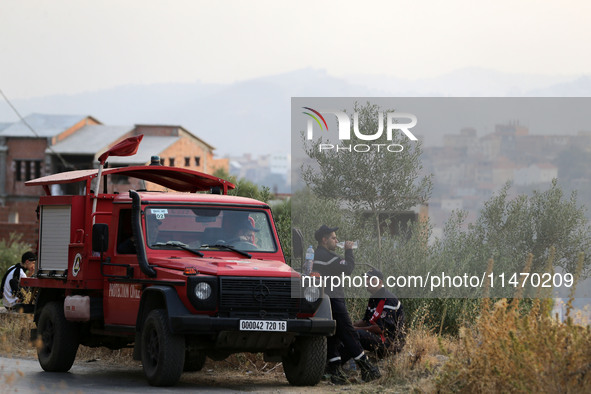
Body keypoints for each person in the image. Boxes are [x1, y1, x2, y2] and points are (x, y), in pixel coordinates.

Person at [313, 225, 381, 384]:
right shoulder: (326, 255)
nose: (337, 240)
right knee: (348, 332)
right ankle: (367, 368)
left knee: (333, 336)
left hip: (324, 300)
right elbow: (349, 268)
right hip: (335, 300)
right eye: (333, 237)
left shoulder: (317, 255)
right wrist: (349, 250)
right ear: (324, 239)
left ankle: (335, 371)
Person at [352, 269, 406, 358]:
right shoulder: (373, 298)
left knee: (355, 333)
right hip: (378, 338)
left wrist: (356, 329)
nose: (367, 282)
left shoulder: (389, 300)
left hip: (390, 343)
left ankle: (347, 365)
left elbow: (381, 329)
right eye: (366, 279)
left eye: (371, 279)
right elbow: (366, 321)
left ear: (380, 282)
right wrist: (349, 326)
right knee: (347, 332)